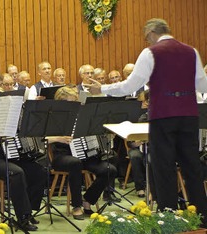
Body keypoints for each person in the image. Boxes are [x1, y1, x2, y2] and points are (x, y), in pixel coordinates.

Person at [88, 18, 207, 223]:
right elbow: (203, 85)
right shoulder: (191, 51)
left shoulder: (150, 53)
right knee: (192, 167)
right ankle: (203, 217)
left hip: (163, 115)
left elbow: (129, 85)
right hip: (189, 116)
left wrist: (102, 89)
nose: (148, 42)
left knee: (164, 167)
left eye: (147, 38)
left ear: (152, 32)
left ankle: (168, 218)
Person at [0, 84, 45, 231]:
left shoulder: (4, 116)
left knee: (38, 169)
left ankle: (28, 209)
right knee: (16, 173)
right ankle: (23, 217)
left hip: (8, 157)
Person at [47, 86, 117, 220]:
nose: (74, 106)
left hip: (85, 155)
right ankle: (77, 205)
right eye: (70, 102)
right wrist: (58, 138)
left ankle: (88, 199)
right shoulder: (53, 118)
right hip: (62, 156)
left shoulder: (83, 117)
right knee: (75, 163)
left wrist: (105, 137)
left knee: (110, 169)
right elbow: (41, 139)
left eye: (75, 102)